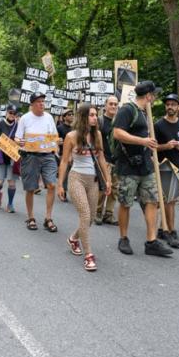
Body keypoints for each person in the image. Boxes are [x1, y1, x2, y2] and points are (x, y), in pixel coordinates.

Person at [113, 81, 173, 257]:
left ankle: (151, 241)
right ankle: (123, 238)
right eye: (154, 95)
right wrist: (143, 141)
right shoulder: (127, 110)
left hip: (146, 166)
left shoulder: (146, 113)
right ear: (148, 96)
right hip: (128, 166)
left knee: (152, 201)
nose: (155, 98)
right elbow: (117, 133)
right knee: (125, 203)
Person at [58, 104, 111, 272]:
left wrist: (108, 179)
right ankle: (89, 255)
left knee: (91, 218)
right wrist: (60, 184)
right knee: (85, 214)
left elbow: (101, 157)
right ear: (83, 117)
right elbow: (65, 161)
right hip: (76, 179)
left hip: (93, 180)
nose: (96, 117)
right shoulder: (71, 136)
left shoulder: (98, 135)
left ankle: (73, 238)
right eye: (92, 115)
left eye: (96, 115)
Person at [15, 92, 59, 232]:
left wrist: (57, 142)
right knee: (31, 188)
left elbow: (54, 136)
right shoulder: (25, 119)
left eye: (43, 101)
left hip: (48, 156)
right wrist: (20, 141)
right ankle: (31, 217)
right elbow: (17, 138)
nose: (41, 104)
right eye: (38, 101)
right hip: (30, 156)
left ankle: (48, 218)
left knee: (52, 185)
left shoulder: (49, 117)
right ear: (32, 104)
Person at [154, 94, 179, 248]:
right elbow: (153, 146)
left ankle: (163, 229)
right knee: (170, 201)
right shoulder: (158, 125)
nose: (170, 107)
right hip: (165, 166)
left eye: (173, 104)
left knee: (170, 200)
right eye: (168, 104)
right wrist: (166, 146)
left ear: (178, 107)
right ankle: (171, 231)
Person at [0, 104, 20, 212]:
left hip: (13, 158)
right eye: (10, 113)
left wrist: (20, 142)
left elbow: (22, 140)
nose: (12, 115)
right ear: (6, 113)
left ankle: (10, 204)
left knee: (12, 183)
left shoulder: (19, 126)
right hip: (0, 157)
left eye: (14, 114)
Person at [95, 95, 119, 225]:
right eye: (111, 104)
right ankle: (98, 212)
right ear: (105, 105)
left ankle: (109, 214)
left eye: (115, 104)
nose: (113, 106)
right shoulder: (100, 121)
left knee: (115, 189)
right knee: (103, 186)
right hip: (104, 159)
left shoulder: (119, 121)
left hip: (117, 160)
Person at [56, 108, 74, 201]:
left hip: (73, 154)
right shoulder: (59, 128)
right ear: (64, 117)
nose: (71, 116)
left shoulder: (73, 129)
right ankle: (63, 192)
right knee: (64, 174)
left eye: (72, 114)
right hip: (63, 154)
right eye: (69, 114)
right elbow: (56, 141)